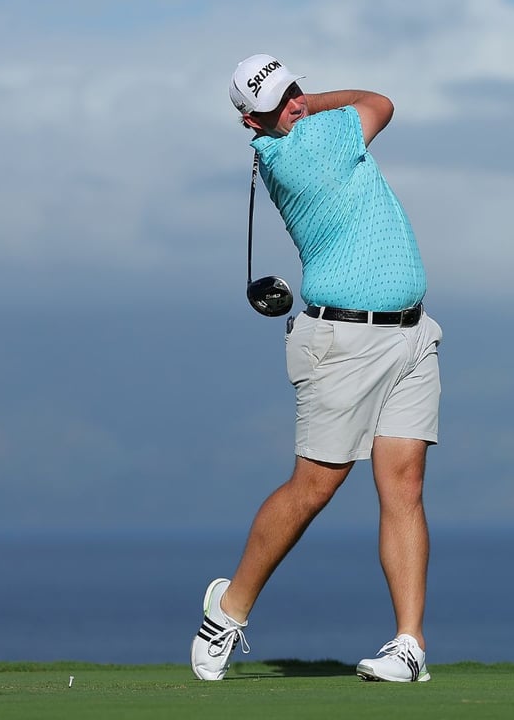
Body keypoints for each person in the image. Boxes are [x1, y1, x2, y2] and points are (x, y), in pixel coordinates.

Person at [191, 54, 442, 683]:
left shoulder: (304, 130)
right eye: (278, 105)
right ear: (252, 122)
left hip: (412, 335)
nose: (295, 105)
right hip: (343, 342)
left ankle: (408, 644)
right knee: (314, 487)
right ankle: (229, 609)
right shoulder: (301, 151)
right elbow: (380, 102)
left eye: (294, 90)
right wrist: (316, 104)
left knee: (405, 485)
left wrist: (299, 102)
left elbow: (367, 108)